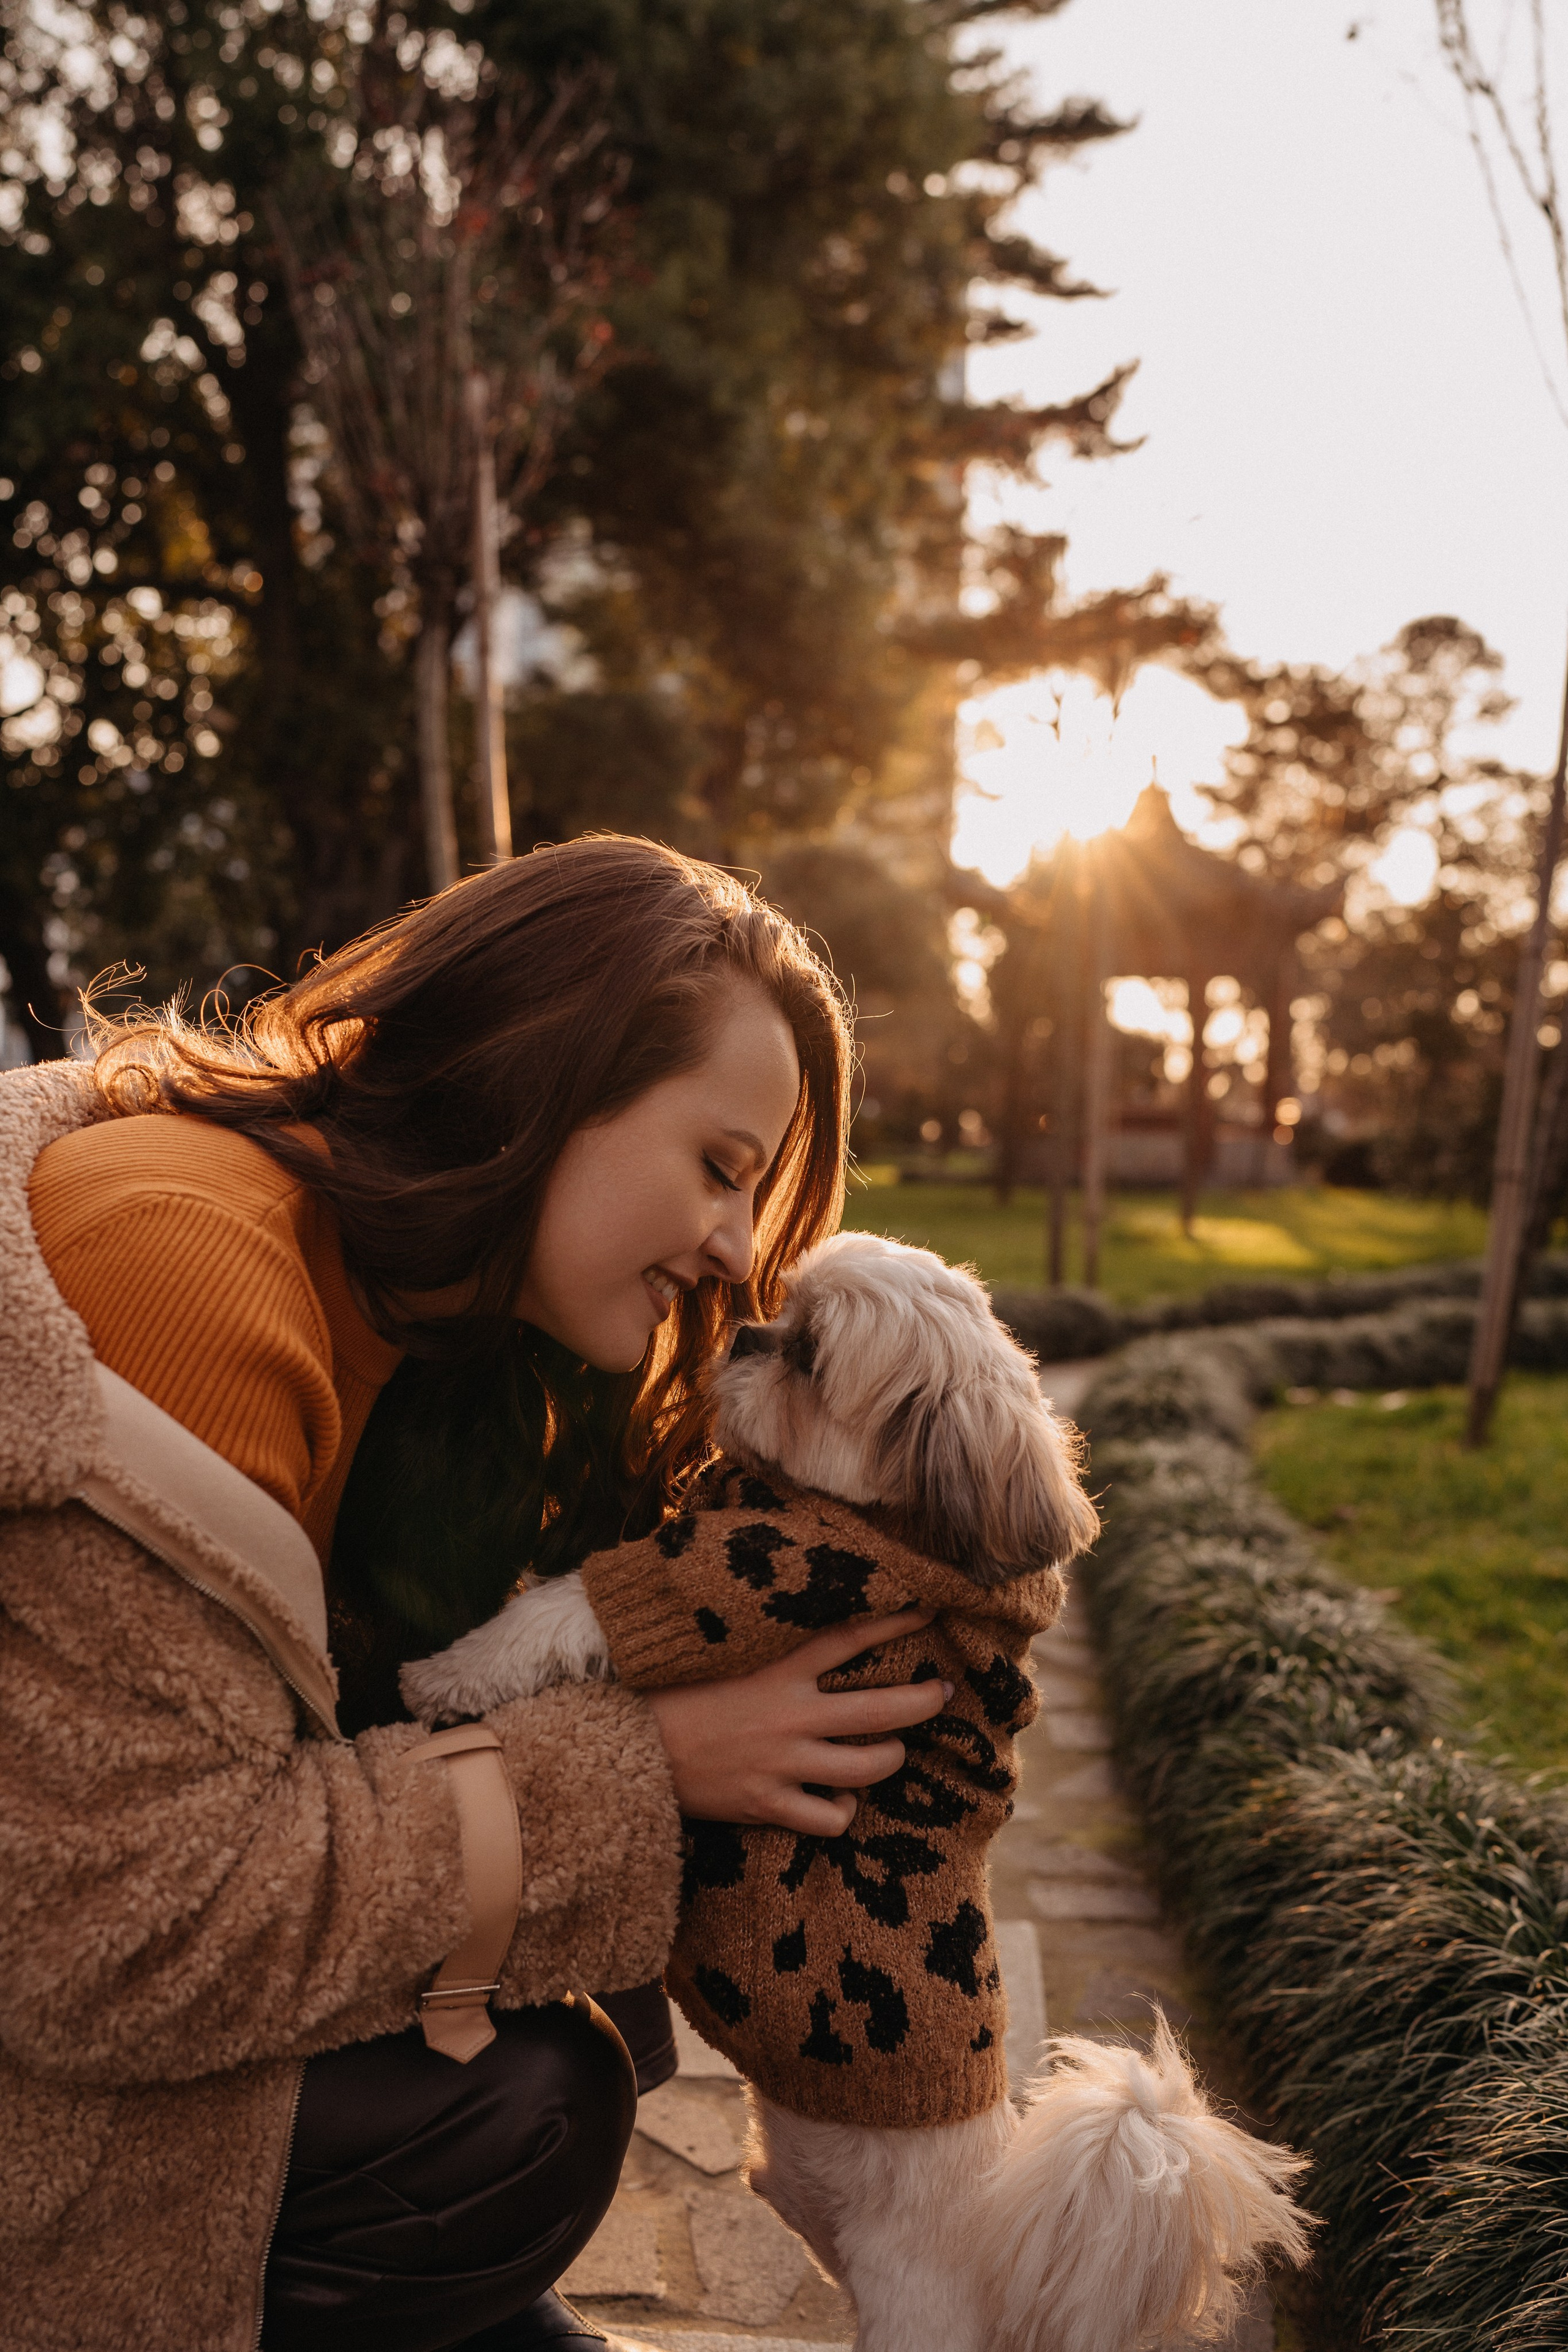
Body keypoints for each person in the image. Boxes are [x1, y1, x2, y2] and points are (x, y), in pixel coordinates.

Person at [0, 837, 948, 2352]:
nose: (733, 1250)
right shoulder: (187, 1272)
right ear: (542, 1080)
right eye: (720, 1168)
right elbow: (117, 1929)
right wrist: (646, 1771)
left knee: (584, 1967)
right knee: (521, 2108)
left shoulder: (413, 1309)